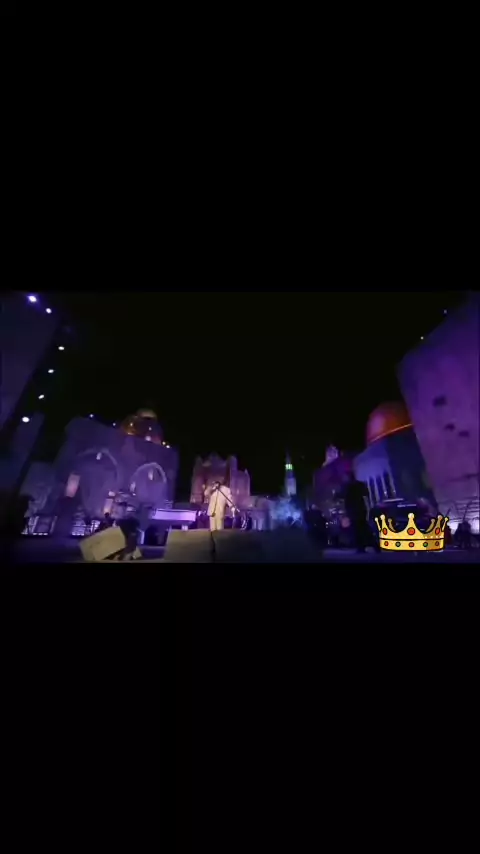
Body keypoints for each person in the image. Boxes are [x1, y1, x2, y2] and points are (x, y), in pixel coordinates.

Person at [341, 473, 371, 553]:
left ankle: (361, 547)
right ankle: (373, 545)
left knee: (357, 530)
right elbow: (366, 494)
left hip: (353, 510)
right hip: (361, 509)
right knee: (364, 528)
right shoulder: (359, 484)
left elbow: (342, 496)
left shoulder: (347, 486)